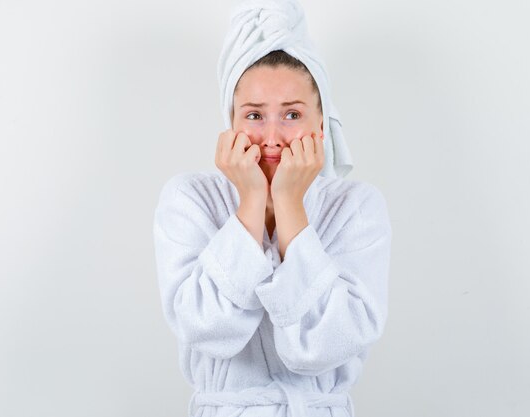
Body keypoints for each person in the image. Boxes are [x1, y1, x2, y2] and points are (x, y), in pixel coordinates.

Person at [152, 2, 392, 416]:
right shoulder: (189, 200)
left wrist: (288, 204)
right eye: (254, 115)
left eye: (293, 114)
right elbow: (207, 330)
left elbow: (321, 346)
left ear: (321, 124)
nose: (273, 137)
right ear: (230, 123)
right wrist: (249, 203)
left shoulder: (357, 208)